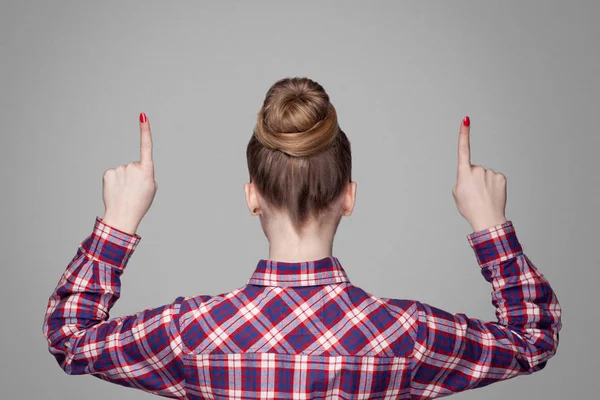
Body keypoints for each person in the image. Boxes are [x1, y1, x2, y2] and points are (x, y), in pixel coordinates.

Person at [42, 77, 562, 399]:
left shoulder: (191, 334)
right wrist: (490, 226)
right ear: (349, 196)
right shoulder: (406, 336)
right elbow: (533, 340)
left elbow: (69, 338)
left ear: (252, 196)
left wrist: (118, 222)